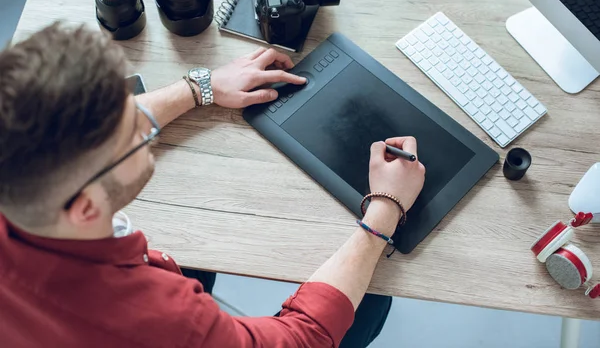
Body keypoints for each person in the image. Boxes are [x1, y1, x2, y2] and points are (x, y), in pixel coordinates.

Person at [0, 22, 425, 348]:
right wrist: (384, 210)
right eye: (133, 133)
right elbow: (302, 337)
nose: (147, 122)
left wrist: (197, 87)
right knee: (372, 302)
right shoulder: (165, 318)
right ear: (85, 209)